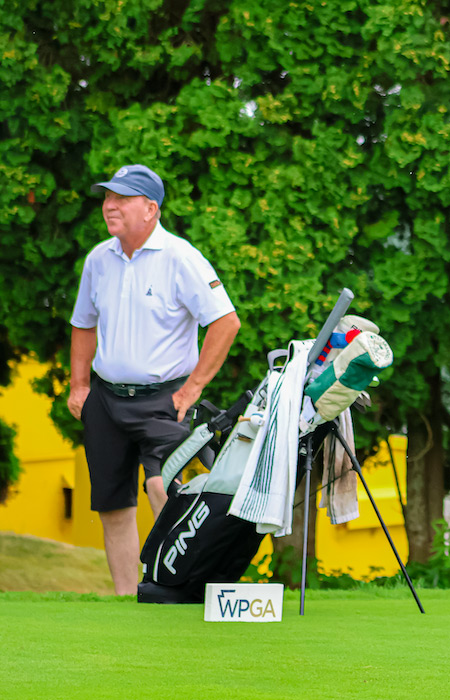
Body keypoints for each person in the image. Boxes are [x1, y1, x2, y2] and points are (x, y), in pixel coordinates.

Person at [67, 164, 241, 596]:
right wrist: (79, 385)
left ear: (150, 209)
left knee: (164, 488)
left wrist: (194, 387)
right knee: (112, 505)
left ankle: (174, 586)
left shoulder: (181, 258)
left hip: (165, 399)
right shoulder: (99, 259)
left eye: (121, 199)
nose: (109, 206)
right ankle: (130, 599)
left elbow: (226, 321)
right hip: (105, 400)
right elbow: (83, 324)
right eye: (107, 198)